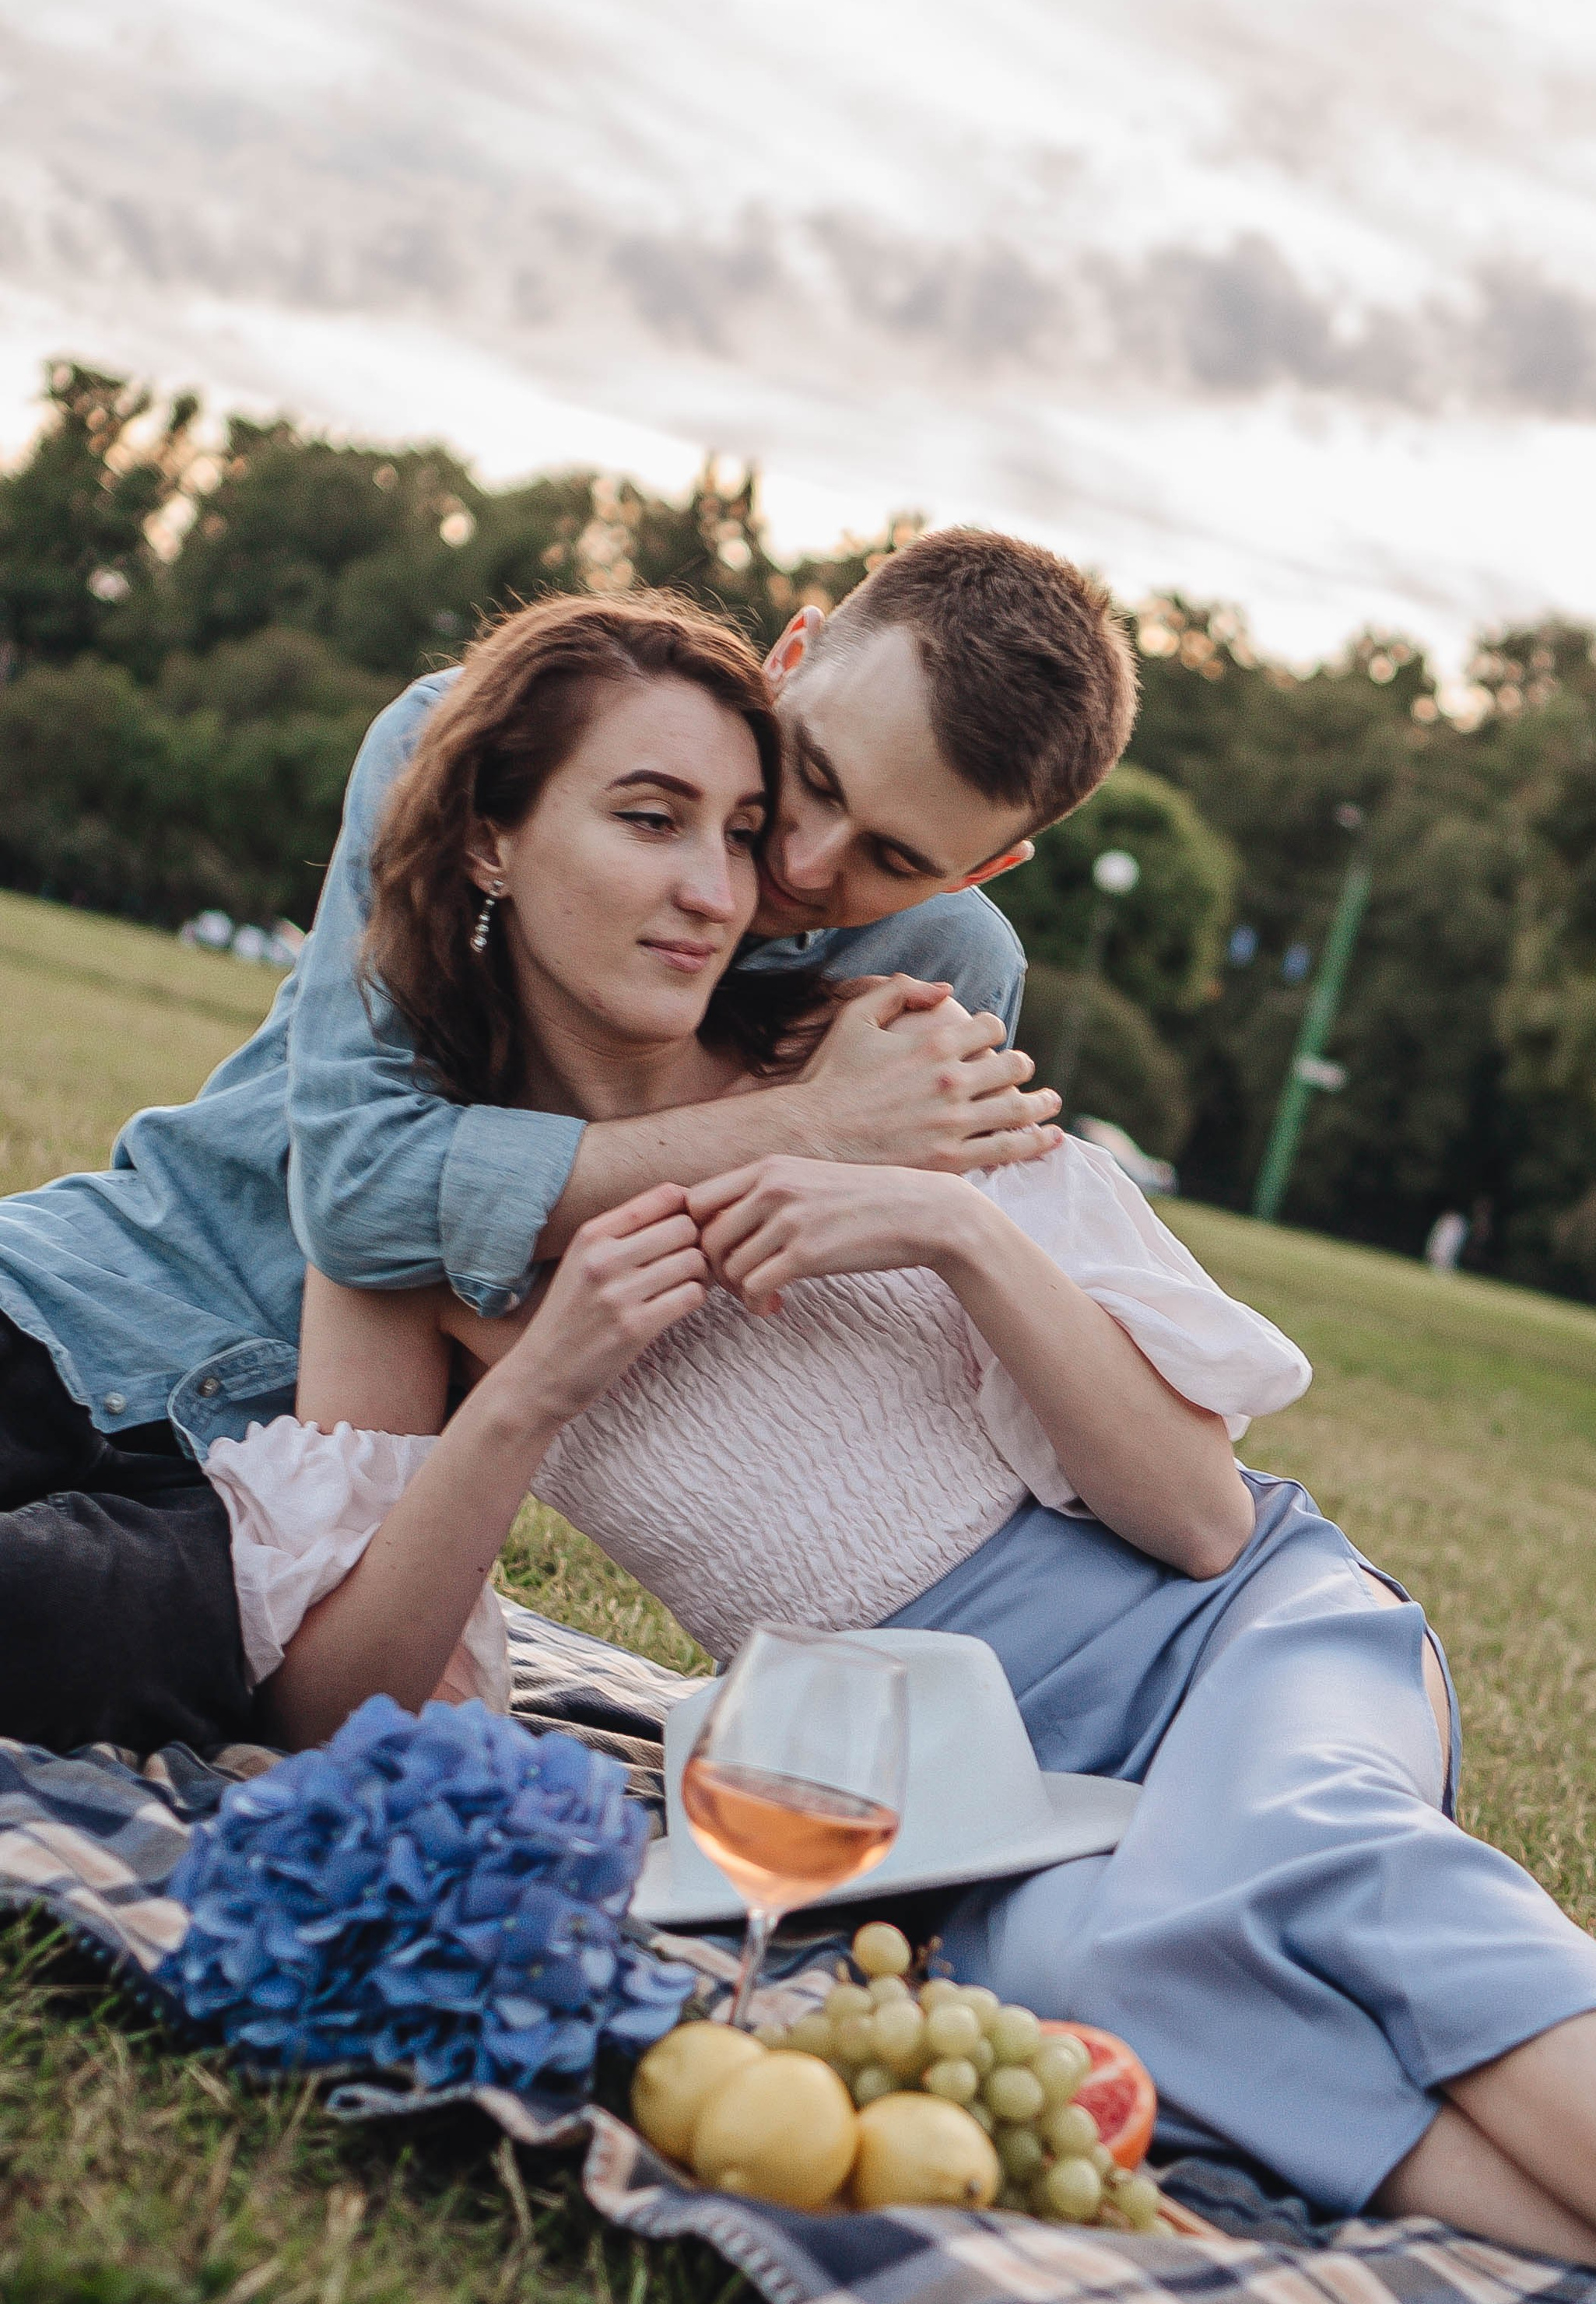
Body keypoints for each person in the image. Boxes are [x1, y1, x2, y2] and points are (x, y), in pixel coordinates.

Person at [212, 585, 1596, 2304]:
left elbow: (1204, 1519)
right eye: (667, 820)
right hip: (947, 1782)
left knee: (1302, 1844)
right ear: (490, 835)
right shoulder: (412, 1242)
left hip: (1237, 1637)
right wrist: (533, 1393)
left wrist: (952, 1229)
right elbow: (337, 1712)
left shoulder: (895, 1055)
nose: (741, 882)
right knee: (1075, 1966)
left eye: (750, 835)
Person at [0, 528, 1136, 1755]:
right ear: (793, 654)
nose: (803, 866)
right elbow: (364, 1191)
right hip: (96, 1292)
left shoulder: (934, 983)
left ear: (992, 865)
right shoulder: (501, 737)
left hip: (283, 1495)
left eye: (898, 859)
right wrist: (811, 1122)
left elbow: (800, 1379)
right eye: (811, 777)